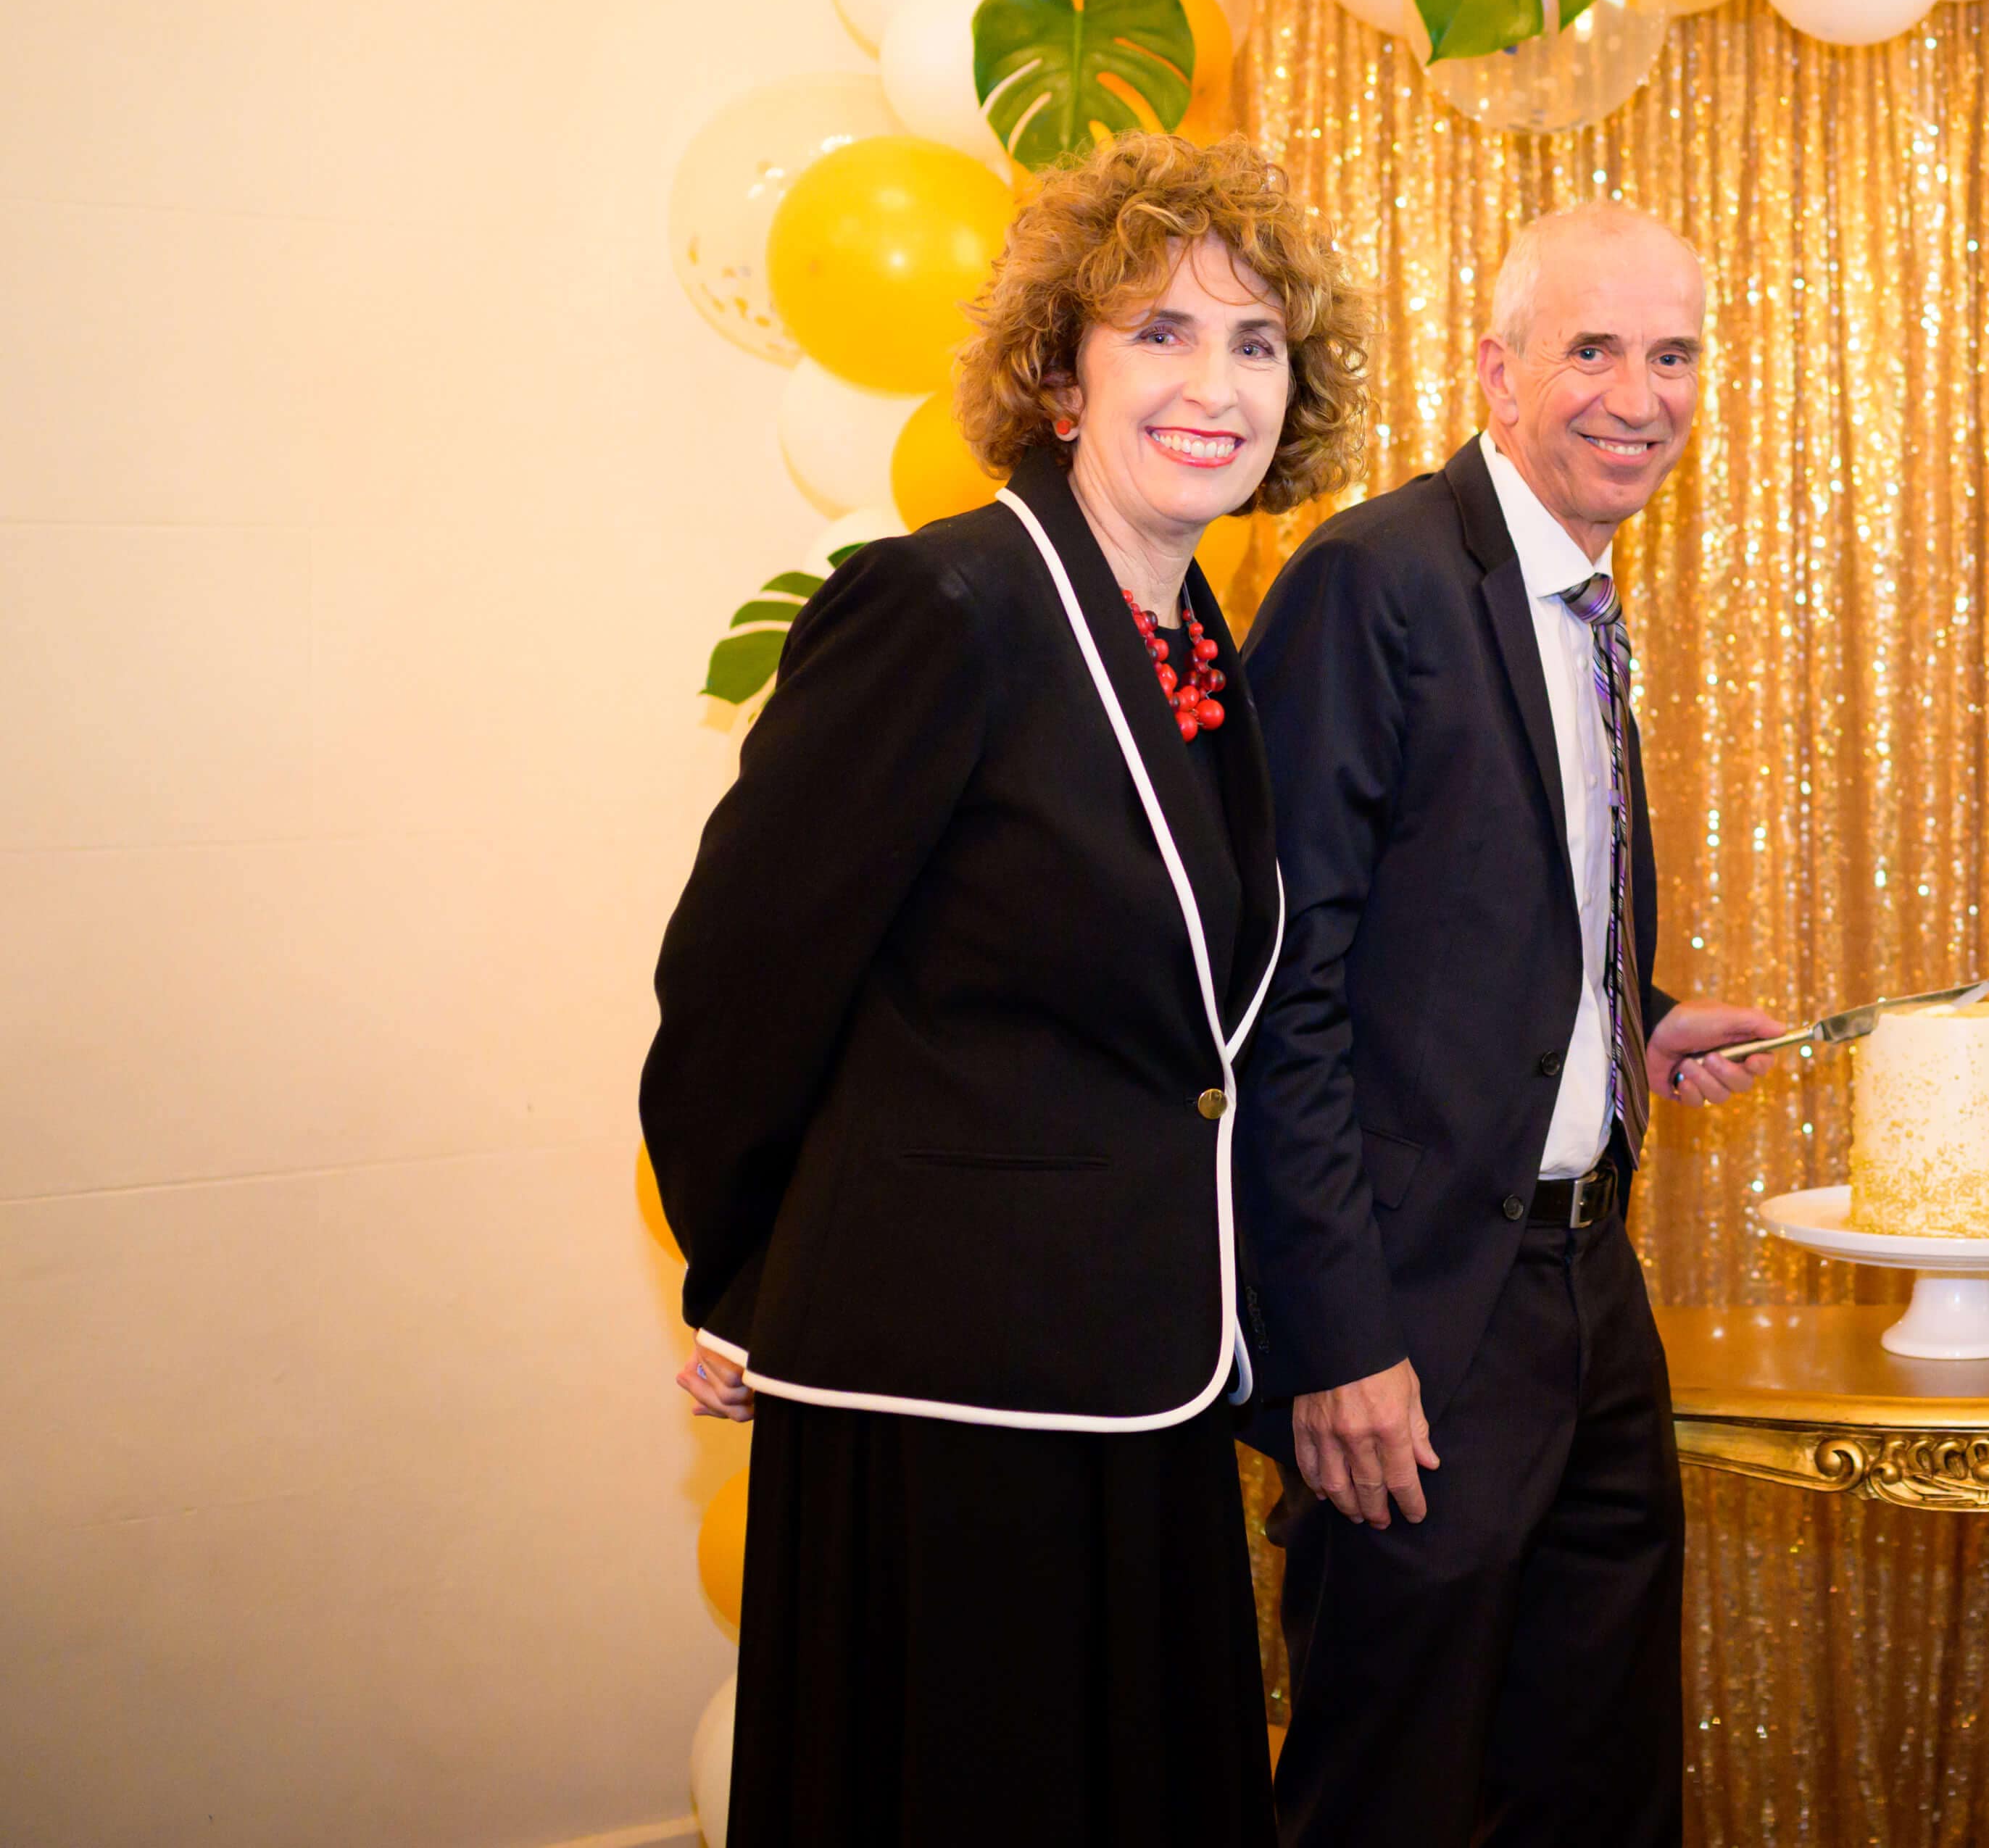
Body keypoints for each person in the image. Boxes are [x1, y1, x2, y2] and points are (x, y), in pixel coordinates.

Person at [639, 130, 1366, 1847]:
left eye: (1255, 343)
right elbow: (736, 980)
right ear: (1058, 375)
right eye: (1161, 334)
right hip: (939, 1396)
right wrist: (749, 1277)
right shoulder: (940, 603)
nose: (1216, 382)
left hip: (1142, 1370)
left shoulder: (1192, 651)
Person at [1237, 198, 1787, 1848]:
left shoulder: (1586, 603)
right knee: (1393, 1788)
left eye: (1675, 352)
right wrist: (1336, 1336)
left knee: (1595, 1772)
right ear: (1497, 373)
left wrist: (1634, 1027)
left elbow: (1479, 918)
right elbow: (1282, 988)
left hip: (1584, 1293)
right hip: (1412, 1318)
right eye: (1593, 348)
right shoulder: (1374, 579)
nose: (1640, 392)